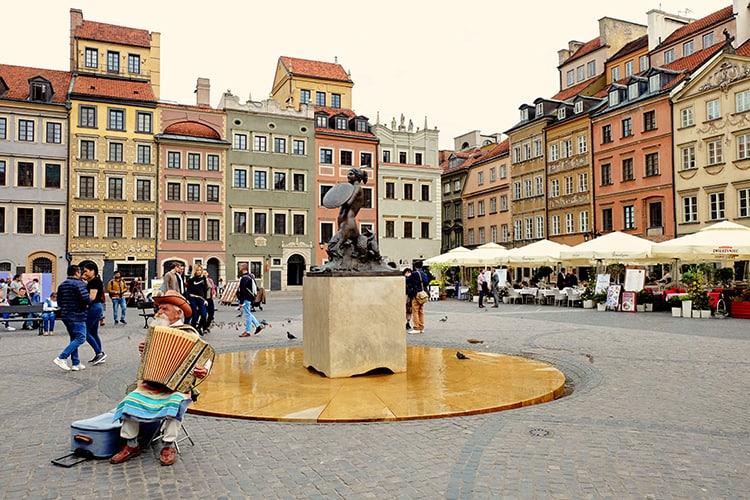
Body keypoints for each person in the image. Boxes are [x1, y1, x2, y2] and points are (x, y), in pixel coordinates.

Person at [110, 290, 210, 467]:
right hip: (151, 384)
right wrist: (145, 350)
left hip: (178, 386)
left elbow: (205, 359)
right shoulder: (156, 332)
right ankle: (131, 445)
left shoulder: (190, 333)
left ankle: (168, 446)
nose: (159, 312)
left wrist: (203, 370)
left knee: (175, 403)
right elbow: (151, 361)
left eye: (165, 309)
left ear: (177, 313)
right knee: (129, 400)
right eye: (159, 308)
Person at [53, 265, 92, 371]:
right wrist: (89, 301)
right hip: (77, 315)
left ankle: (76, 362)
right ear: (76, 273)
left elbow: (59, 301)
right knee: (81, 338)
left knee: (73, 338)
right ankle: (62, 357)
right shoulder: (79, 284)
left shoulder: (62, 285)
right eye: (80, 272)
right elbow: (85, 298)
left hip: (66, 315)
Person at [80, 260, 107, 366]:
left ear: (93, 271)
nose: (85, 273)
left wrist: (83, 301)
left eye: (86, 271)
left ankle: (99, 353)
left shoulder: (94, 282)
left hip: (93, 308)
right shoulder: (94, 281)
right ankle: (99, 355)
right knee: (94, 332)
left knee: (86, 333)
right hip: (97, 307)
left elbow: (92, 297)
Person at [237, 264, 265, 337]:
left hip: (246, 297)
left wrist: (241, 302)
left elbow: (242, 291)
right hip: (251, 297)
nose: (239, 268)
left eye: (240, 266)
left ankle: (247, 331)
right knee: (248, 312)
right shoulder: (250, 276)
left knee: (247, 314)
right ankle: (258, 325)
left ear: (243, 268)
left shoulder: (244, 278)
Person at [406, 261, 429, 334]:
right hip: (423, 294)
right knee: (421, 311)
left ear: (415, 266)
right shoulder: (424, 274)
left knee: (415, 310)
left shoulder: (415, 273)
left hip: (417, 294)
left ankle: (416, 327)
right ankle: (421, 326)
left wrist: (407, 276)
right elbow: (426, 282)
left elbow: (407, 280)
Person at [186, 264, 209, 335]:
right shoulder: (191, 279)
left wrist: (205, 300)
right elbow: (188, 291)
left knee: (204, 314)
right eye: (197, 270)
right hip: (193, 298)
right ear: (195, 271)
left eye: (200, 270)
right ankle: (193, 328)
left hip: (201, 298)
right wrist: (188, 299)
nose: (199, 272)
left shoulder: (203, 278)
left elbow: (205, 290)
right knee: (195, 315)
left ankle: (200, 327)